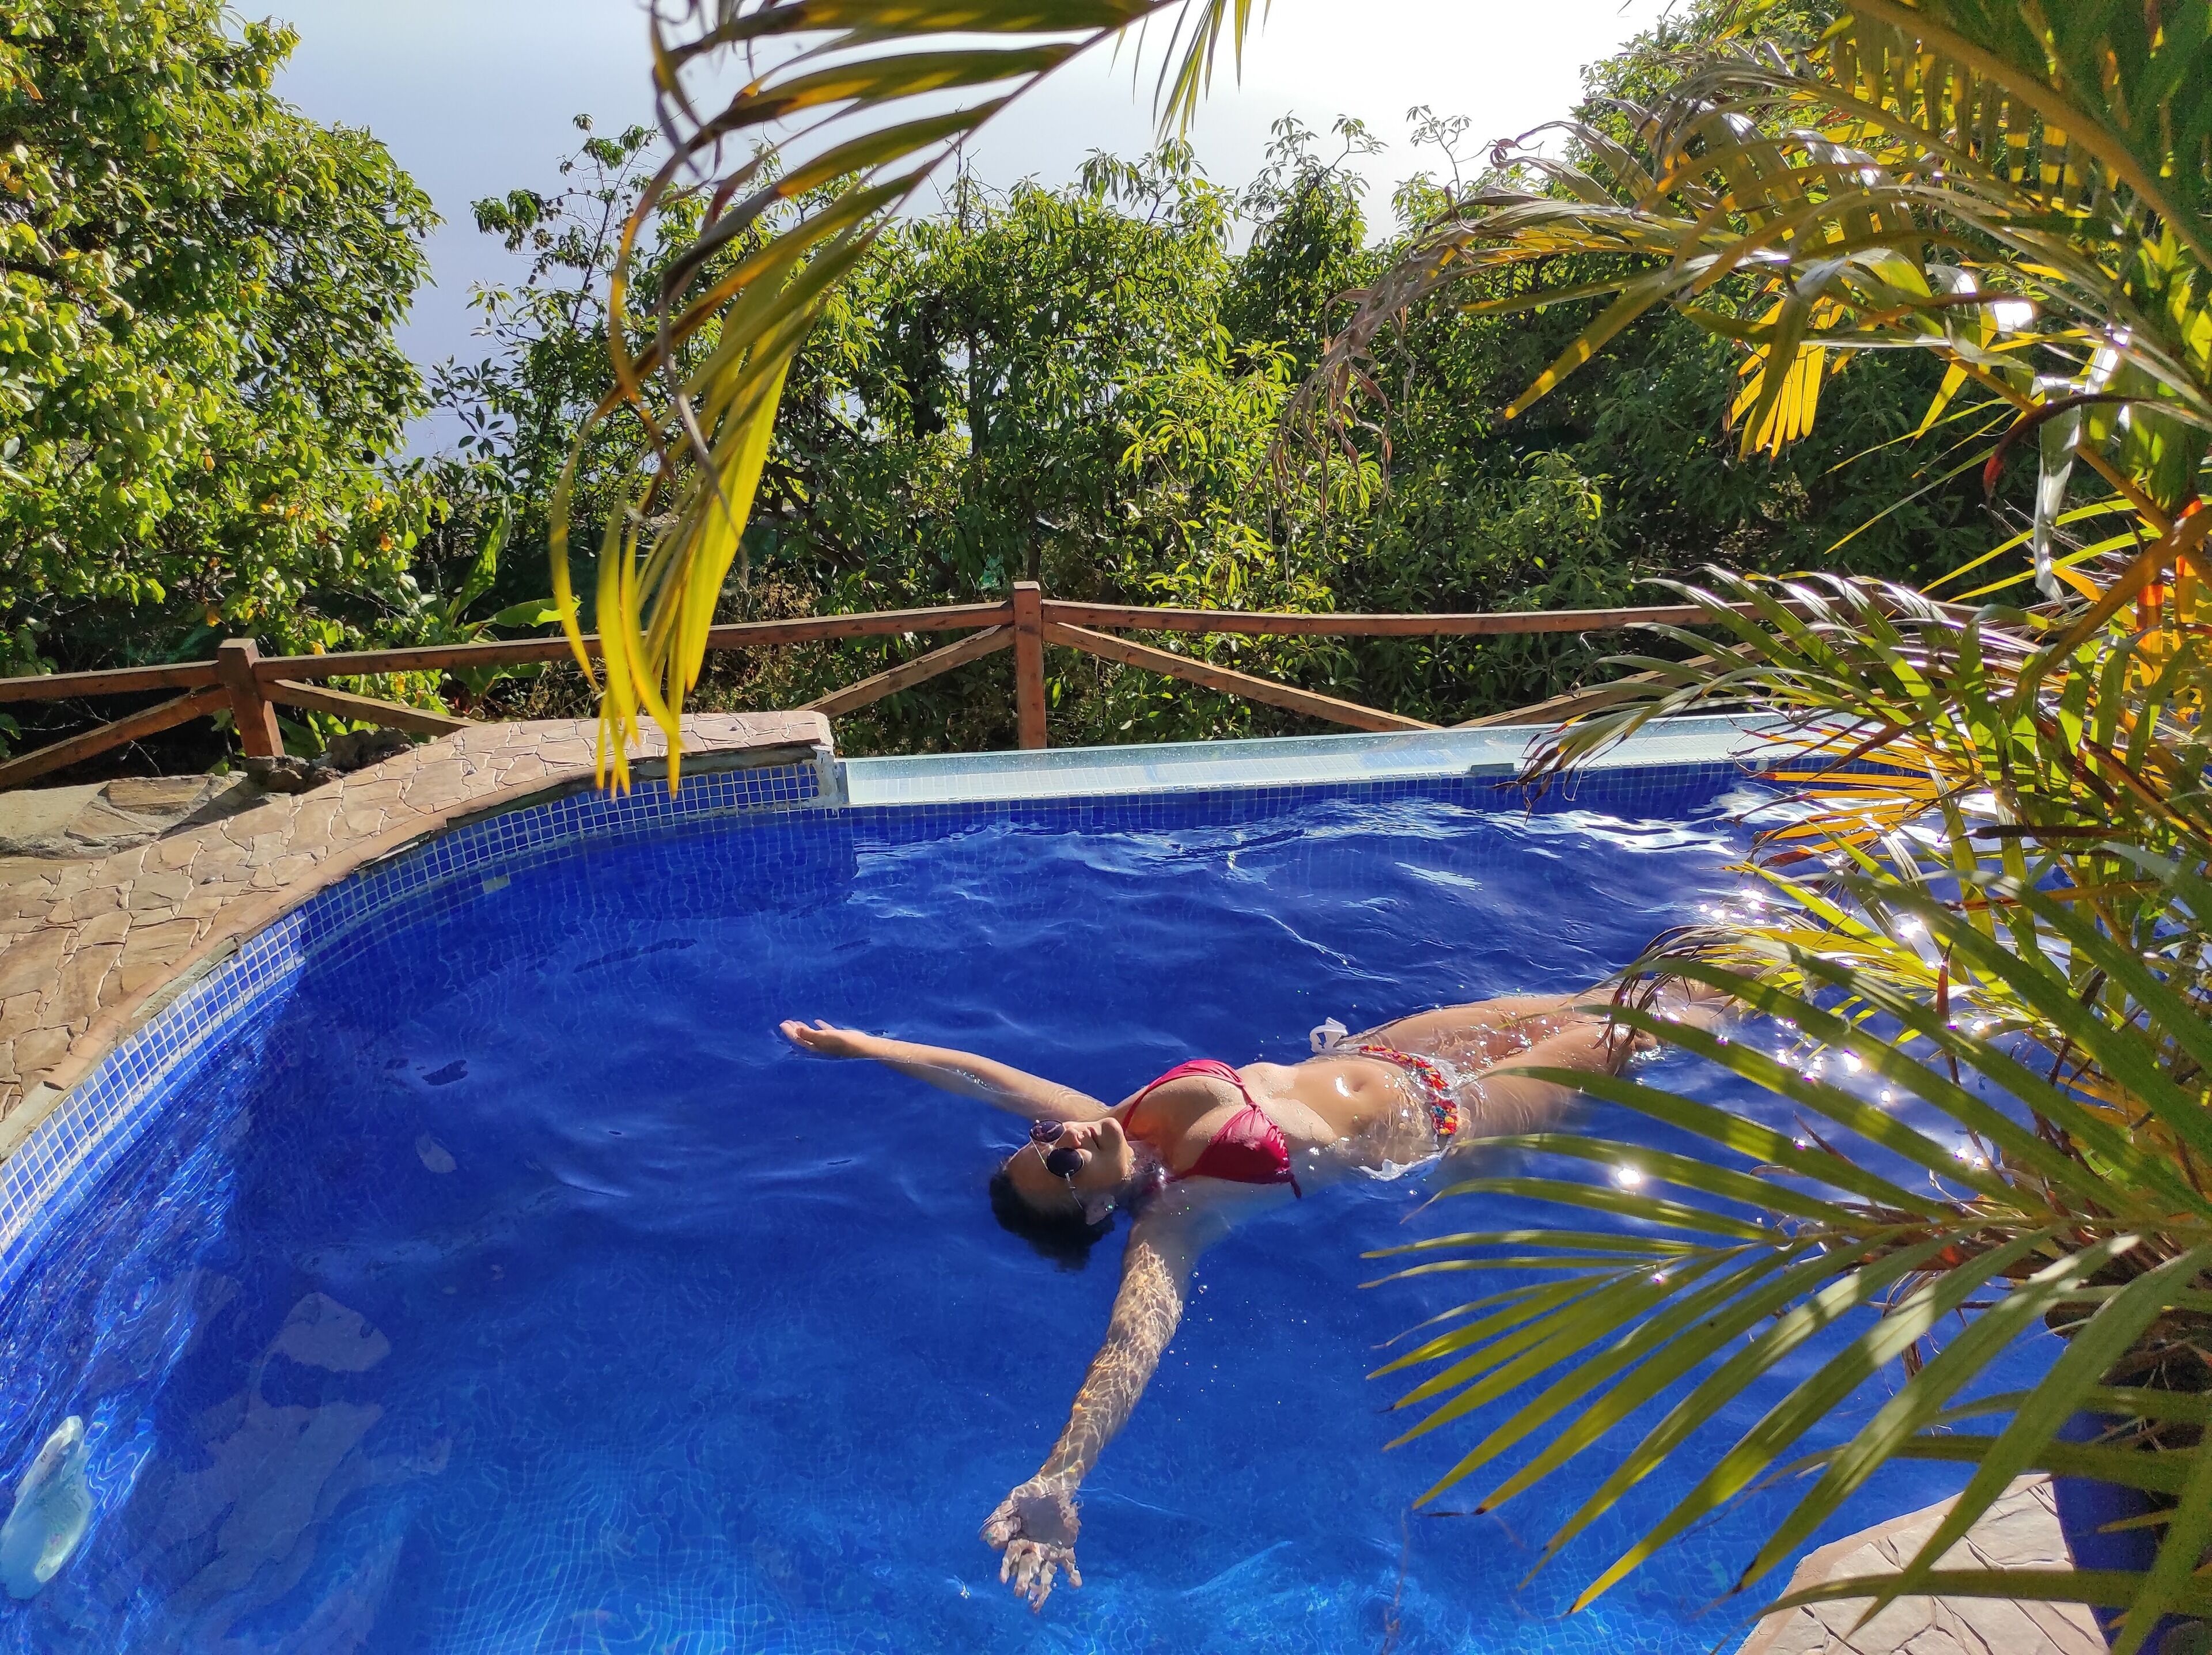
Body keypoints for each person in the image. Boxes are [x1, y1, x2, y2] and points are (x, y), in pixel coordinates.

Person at [777, 982, 1696, 1611]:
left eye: (1044, 1134)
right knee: (1635, 1032)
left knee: (1609, 991)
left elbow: (988, 1077)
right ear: (1094, 1207)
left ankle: (1760, 941)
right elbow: (1133, 1341)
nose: (1061, 1131)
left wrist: (866, 1047)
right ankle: (1807, 978)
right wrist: (1061, 1475)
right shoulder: (1170, 1222)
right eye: (1057, 1159)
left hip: (1399, 1050)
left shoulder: (1120, 1120)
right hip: (1451, 1116)